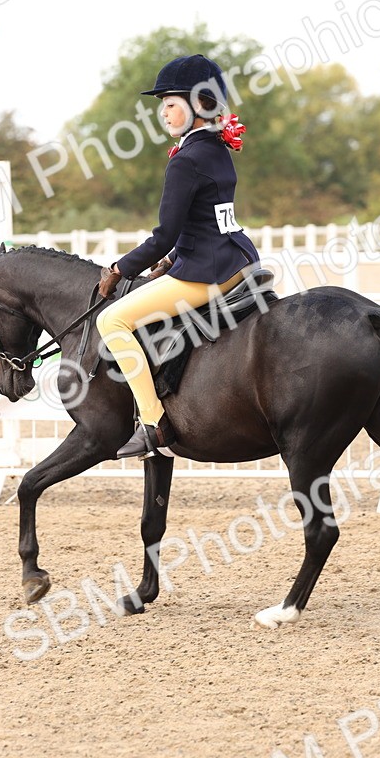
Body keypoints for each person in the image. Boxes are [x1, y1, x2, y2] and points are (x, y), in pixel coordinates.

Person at [96, 54, 260, 460]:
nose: (163, 113)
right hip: (236, 259)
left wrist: (120, 268)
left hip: (206, 273)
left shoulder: (187, 158)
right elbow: (208, 219)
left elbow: (163, 235)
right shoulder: (217, 148)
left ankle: (153, 423)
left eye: (171, 104)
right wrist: (172, 261)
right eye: (163, 105)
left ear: (199, 104)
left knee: (111, 319)